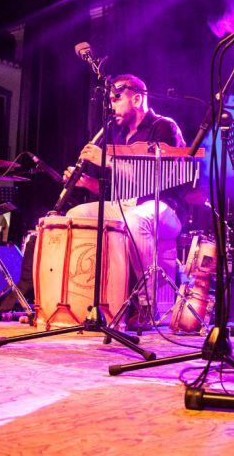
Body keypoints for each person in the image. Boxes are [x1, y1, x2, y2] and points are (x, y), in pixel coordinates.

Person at [65, 74, 187, 319]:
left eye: (117, 99)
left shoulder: (163, 126)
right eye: (110, 101)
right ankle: (86, 296)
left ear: (137, 99)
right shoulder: (119, 136)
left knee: (134, 221)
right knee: (76, 215)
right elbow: (119, 187)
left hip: (164, 207)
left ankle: (145, 304)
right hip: (127, 204)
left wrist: (108, 161)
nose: (112, 106)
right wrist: (88, 183)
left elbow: (161, 178)